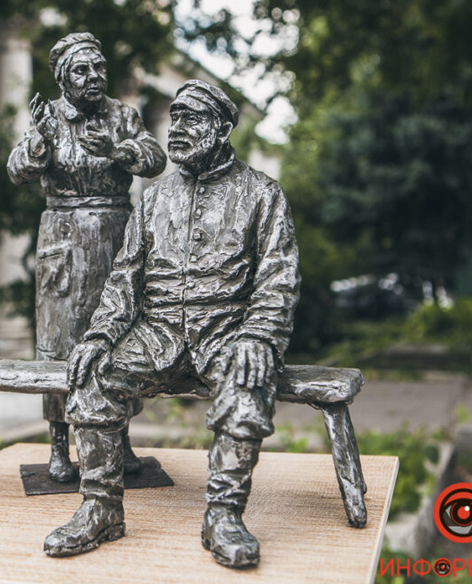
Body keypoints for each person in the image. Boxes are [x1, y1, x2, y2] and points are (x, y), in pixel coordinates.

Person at [43, 80, 301, 568]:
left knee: (247, 386)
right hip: (157, 332)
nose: (178, 128)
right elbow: (124, 279)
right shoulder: (154, 198)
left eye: (193, 119)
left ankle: (223, 516)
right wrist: (100, 336)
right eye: (175, 117)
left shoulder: (262, 194)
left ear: (222, 129)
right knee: (92, 374)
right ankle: (100, 509)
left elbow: (277, 280)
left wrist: (259, 336)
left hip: (227, 330)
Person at [7, 33, 166, 482]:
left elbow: (155, 158)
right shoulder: (49, 118)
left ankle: (122, 441)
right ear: (62, 78)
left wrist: (116, 150)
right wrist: (40, 140)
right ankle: (60, 446)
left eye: (99, 67)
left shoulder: (122, 114)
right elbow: (17, 169)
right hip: (64, 240)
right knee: (61, 344)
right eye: (82, 69)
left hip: (117, 237)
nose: (93, 76)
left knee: (119, 338)